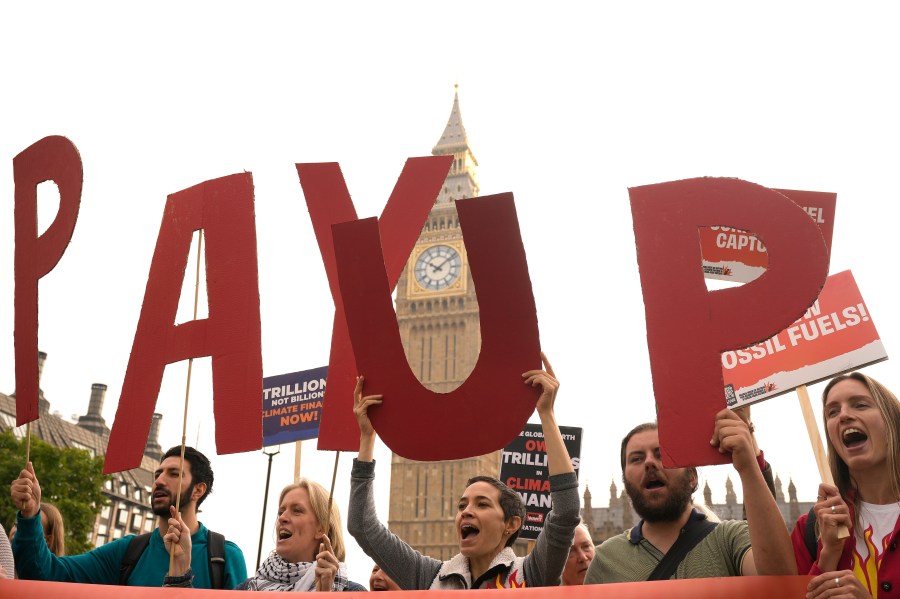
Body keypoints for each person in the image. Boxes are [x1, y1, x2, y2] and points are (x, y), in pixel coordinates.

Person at [347, 353, 580, 590]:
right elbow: (362, 526)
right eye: (462, 505)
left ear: (511, 523)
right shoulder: (430, 577)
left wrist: (547, 416)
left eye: (482, 504)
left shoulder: (528, 575)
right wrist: (367, 438)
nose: (467, 511)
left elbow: (566, 512)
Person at [584, 410, 796, 583]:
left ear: (692, 477)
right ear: (625, 483)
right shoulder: (605, 560)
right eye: (637, 459)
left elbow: (780, 582)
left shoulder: (729, 538)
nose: (650, 462)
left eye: (662, 455)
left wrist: (748, 466)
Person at [10, 445, 247, 588]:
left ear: (198, 489)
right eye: (158, 473)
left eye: (174, 474)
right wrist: (30, 513)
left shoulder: (224, 557)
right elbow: (46, 574)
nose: (159, 481)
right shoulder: (129, 552)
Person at [791, 372, 900, 599]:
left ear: (892, 420)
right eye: (832, 412)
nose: (844, 416)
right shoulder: (809, 529)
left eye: (860, 405)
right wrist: (828, 557)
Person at [165, 478, 366, 591]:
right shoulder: (247, 589)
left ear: (321, 528)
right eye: (281, 512)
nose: (283, 518)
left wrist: (325, 596)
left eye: (297, 510)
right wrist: (180, 566)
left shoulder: (352, 593)